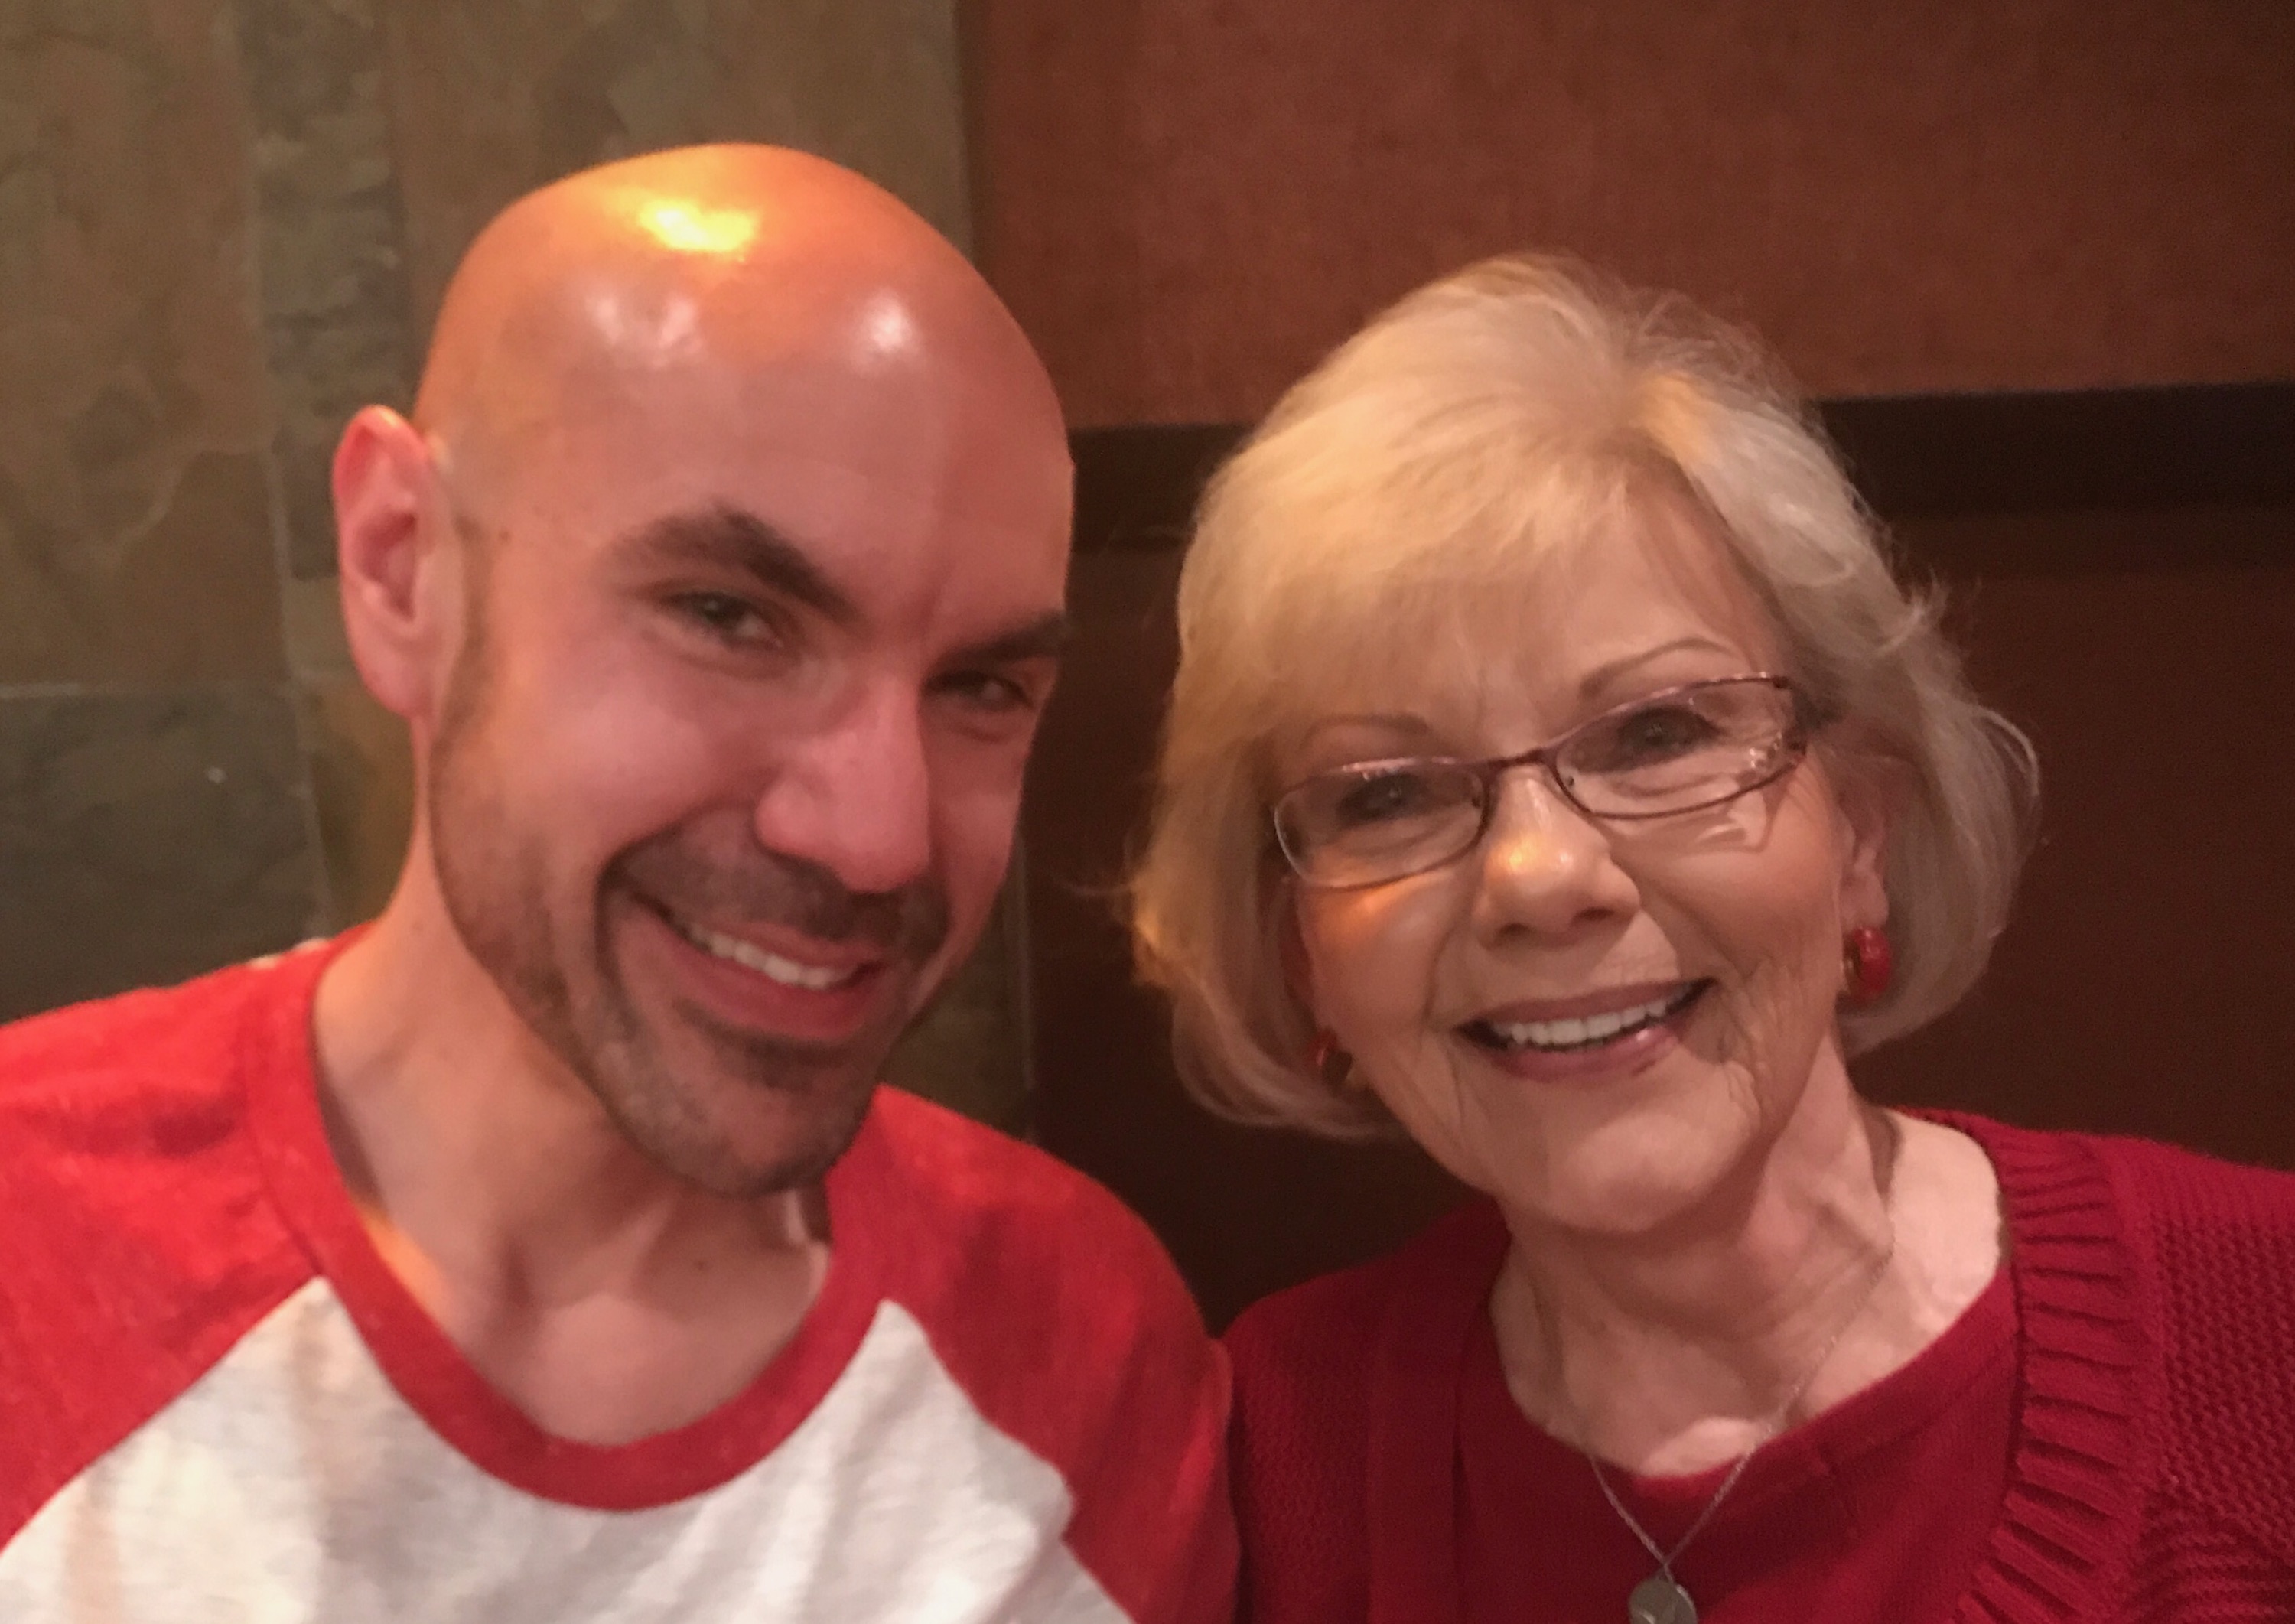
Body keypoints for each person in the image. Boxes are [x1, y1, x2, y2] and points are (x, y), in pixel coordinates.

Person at [0, 145, 1233, 1622]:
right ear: (399, 567)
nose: (879, 839)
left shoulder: (1079, 1350)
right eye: (728, 616)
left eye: (981, 687)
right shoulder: (31, 1257)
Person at [1128, 254, 2295, 1621]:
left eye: (1656, 734)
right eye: (1387, 796)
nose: (1539, 878)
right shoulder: (1262, 1465)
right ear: (1303, 952)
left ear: (1859, 832)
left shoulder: (2264, 1334)